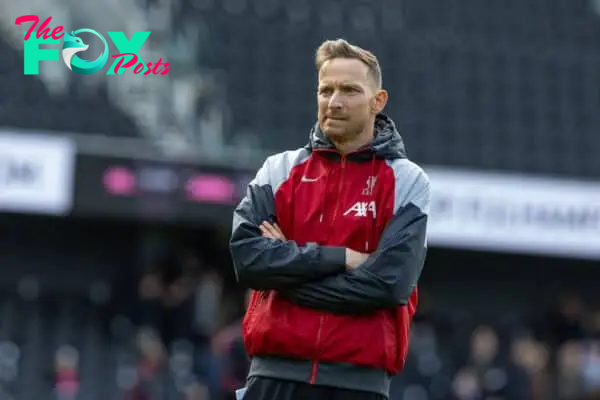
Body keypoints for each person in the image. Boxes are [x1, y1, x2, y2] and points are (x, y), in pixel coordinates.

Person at [229, 38, 430, 400]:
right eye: (326, 90)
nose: (334, 102)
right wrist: (341, 259)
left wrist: (285, 275)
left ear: (377, 101)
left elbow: (388, 285)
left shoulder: (407, 181)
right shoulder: (278, 170)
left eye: (350, 90)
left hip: (358, 385)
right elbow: (248, 261)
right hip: (273, 376)